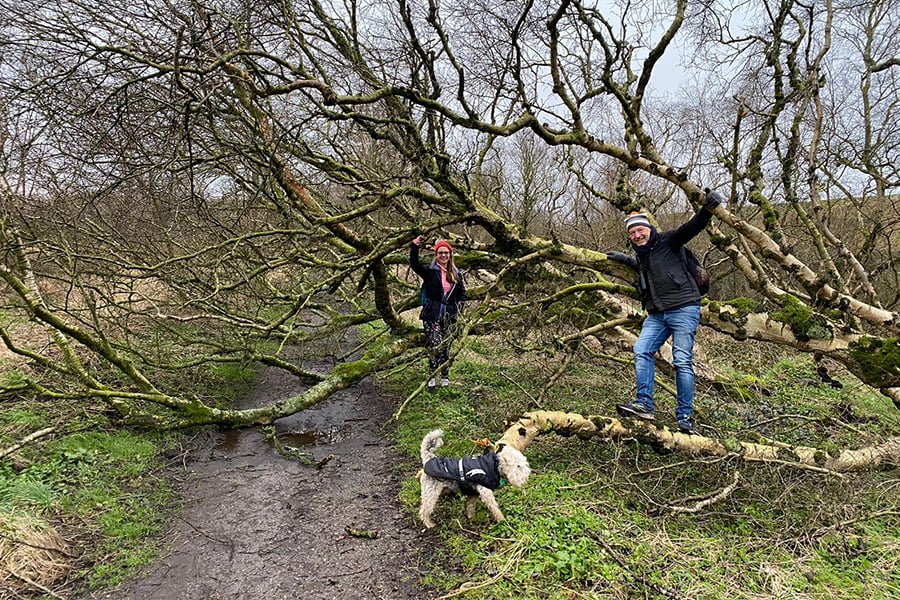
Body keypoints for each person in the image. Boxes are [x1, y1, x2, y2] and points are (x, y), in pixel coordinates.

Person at [606, 190, 723, 433]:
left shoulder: (669, 241)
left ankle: (684, 418)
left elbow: (693, 227)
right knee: (641, 349)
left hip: (684, 308)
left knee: (681, 361)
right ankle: (645, 405)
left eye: (640, 230)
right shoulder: (642, 257)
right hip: (657, 314)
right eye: (632, 232)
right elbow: (639, 266)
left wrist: (707, 209)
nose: (637, 235)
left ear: (649, 229)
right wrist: (622, 259)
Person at [410, 236, 466, 392]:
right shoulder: (430, 271)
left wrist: (460, 310)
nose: (443, 255)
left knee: (446, 346)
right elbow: (414, 264)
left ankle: (445, 377)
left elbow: (462, 293)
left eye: (446, 253)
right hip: (432, 315)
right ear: (436, 255)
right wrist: (415, 245)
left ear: (450, 255)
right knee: (436, 345)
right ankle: (432, 378)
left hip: (449, 316)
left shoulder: (456, 273)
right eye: (440, 253)